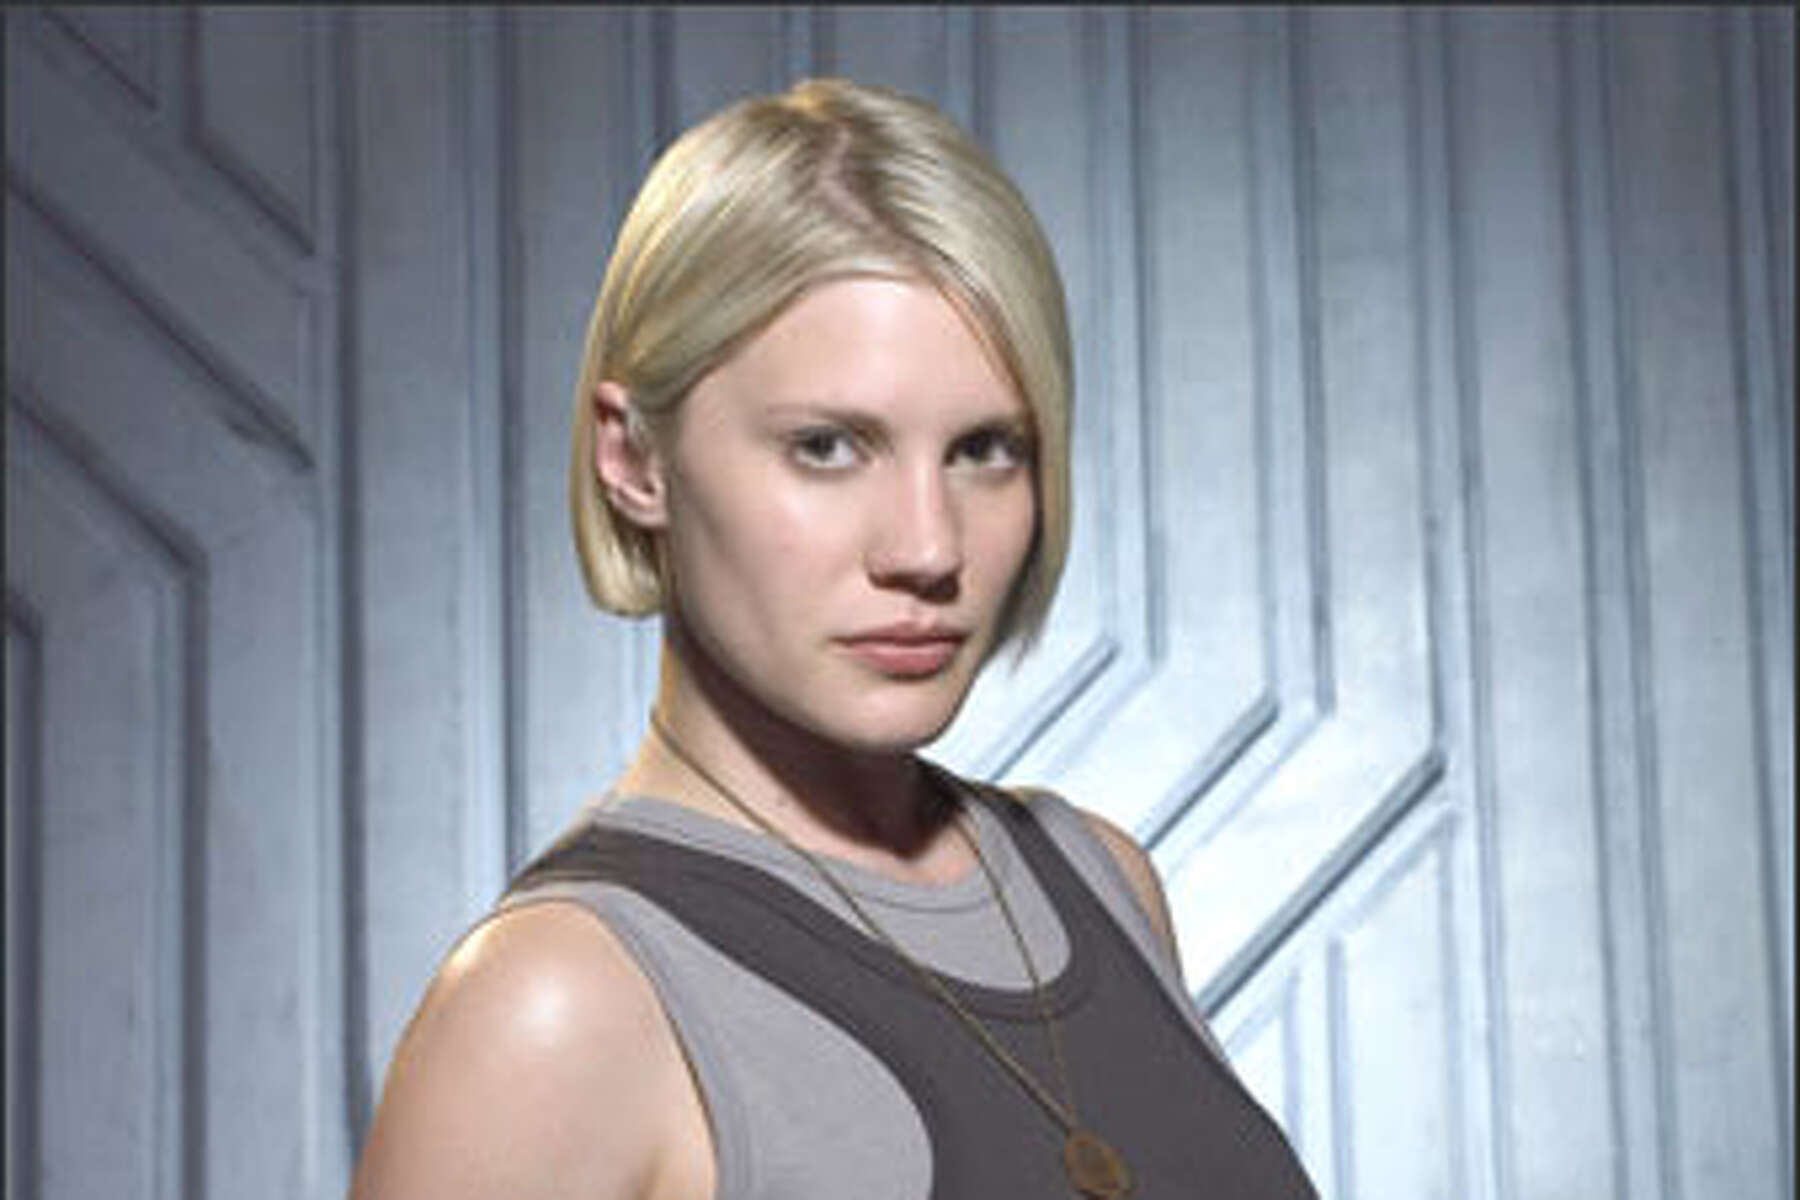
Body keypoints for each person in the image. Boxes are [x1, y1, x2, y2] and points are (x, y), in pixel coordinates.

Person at [350, 78, 1317, 1200]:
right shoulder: (554, 1010)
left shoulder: (1100, 885)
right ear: (634, 460)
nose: (927, 547)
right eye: (827, 447)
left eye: (985, 450)